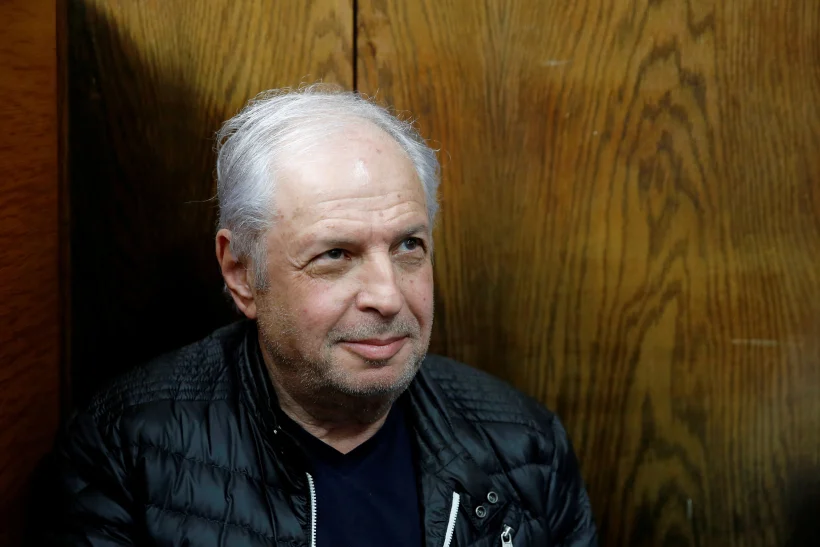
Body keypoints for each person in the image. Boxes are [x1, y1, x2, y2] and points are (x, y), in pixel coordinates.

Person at [31, 85, 598, 546]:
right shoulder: (125, 451)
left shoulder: (527, 445)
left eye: (408, 246)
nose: (388, 295)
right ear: (241, 272)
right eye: (335, 255)